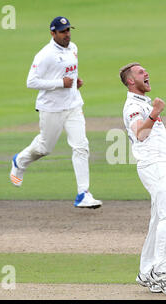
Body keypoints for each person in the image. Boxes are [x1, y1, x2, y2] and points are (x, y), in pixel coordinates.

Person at [10, 16, 102, 209]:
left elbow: (69, 72)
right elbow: (31, 82)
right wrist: (60, 83)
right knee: (44, 148)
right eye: (62, 31)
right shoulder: (45, 55)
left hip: (73, 105)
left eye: (68, 30)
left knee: (81, 146)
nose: (67, 34)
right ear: (53, 33)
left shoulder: (74, 48)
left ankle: (83, 194)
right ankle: (20, 160)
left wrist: (75, 83)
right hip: (51, 108)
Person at [119, 62, 166, 296]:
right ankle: (160, 273)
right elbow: (140, 135)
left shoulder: (142, 103)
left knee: (159, 220)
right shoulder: (133, 107)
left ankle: (146, 272)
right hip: (153, 167)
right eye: (140, 72)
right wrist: (155, 113)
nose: (146, 73)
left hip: (160, 165)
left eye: (145, 71)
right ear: (130, 81)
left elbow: (153, 140)